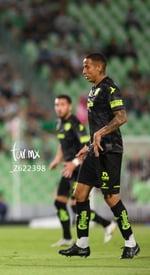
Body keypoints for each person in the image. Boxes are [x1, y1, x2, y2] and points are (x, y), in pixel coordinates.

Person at [59, 53, 140, 259]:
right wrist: (88, 145)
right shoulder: (93, 91)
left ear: (99, 68)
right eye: (84, 67)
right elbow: (97, 125)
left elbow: (121, 117)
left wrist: (100, 134)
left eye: (87, 67)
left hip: (110, 150)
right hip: (94, 150)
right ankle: (82, 244)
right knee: (79, 196)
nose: (84, 71)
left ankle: (131, 242)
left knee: (110, 197)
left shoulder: (110, 89)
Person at [50, 94, 117, 247]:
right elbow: (63, 144)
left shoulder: (75, 124)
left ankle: (107, 224)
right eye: (57, 105)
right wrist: (57, 159)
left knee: (76, 205)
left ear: (69, 107)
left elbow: (85, 147)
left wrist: (74, 163)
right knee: (59, 203)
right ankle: (67, 237)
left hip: (78, 168)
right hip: (68, 169)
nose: (59, 108)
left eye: (62, 105)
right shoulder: (58, 123)